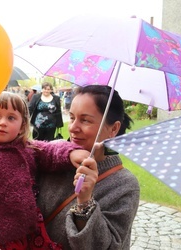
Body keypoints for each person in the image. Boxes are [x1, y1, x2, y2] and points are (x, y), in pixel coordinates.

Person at [0, 91, 97, 249]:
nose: (3, 122)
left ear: (22, 124)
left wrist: (71, 152)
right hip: (0, 237)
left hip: (31, 230)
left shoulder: (26, 147)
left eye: (11, 118)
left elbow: (51, 151)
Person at [37, 85, 140, 249]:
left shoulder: (124, 185)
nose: (72, 127)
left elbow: (111, 246)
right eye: (71, 118)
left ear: (113, 128)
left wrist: (85, 202)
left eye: (85, 120)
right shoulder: (53, 154)